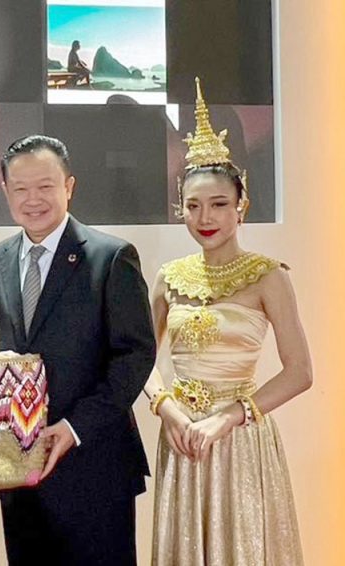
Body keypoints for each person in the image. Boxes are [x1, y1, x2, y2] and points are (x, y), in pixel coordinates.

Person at [0, 134, 156, 565]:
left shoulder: (111, 257)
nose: (33, 199)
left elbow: (135, 355)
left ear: (69, 186)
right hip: (18, 464)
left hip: (94, 466)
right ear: (5, 192)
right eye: (21, 188)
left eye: (45, 186)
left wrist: (73, 427)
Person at [145, 78, 311, 565]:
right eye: (193, 206)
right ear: (180, 209)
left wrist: (230, 416)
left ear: (241, 206)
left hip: (240, 439)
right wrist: (168, 410)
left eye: (219, 204)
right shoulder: (169, 277)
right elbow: (139, 359)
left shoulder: (268, 276)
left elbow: (300, 372)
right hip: (182, 438)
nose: (206, 217)